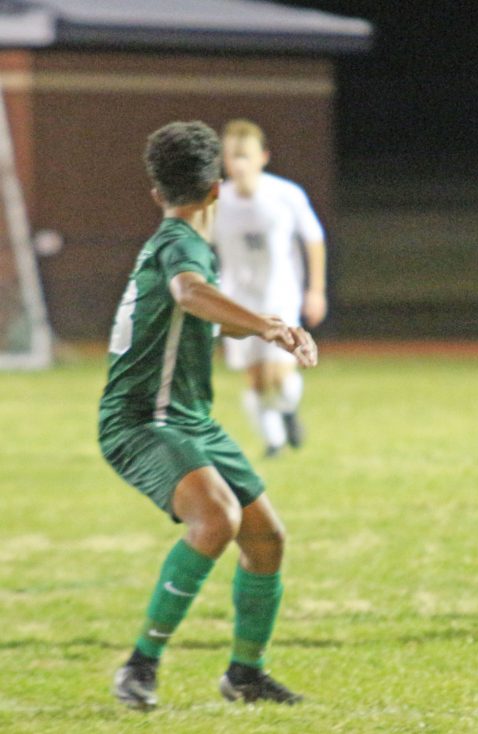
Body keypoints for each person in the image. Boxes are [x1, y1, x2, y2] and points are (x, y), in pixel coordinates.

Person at [100, 120, 318, 710]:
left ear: (156, 191)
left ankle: (245, 675)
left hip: (187, 417)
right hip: (141, 420)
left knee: (266, 539)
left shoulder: (178, 244)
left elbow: (195, 309)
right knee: (217, 518)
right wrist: (269, 325)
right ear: (217, 188)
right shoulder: (183, 244)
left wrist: (262, 328)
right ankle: (139, 666)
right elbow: (190, 293)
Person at [213, 119, 328, 457]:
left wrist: (316, 290)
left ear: (263, 157)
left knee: (279, 373)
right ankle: (274, 442)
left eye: (245, 156)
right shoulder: (216, 201)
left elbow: (313, 239)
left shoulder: (286, 195)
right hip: (237, 298)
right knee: (257, 379)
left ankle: (288, 409)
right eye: (232, 157)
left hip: (280, 294)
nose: (238, 164)